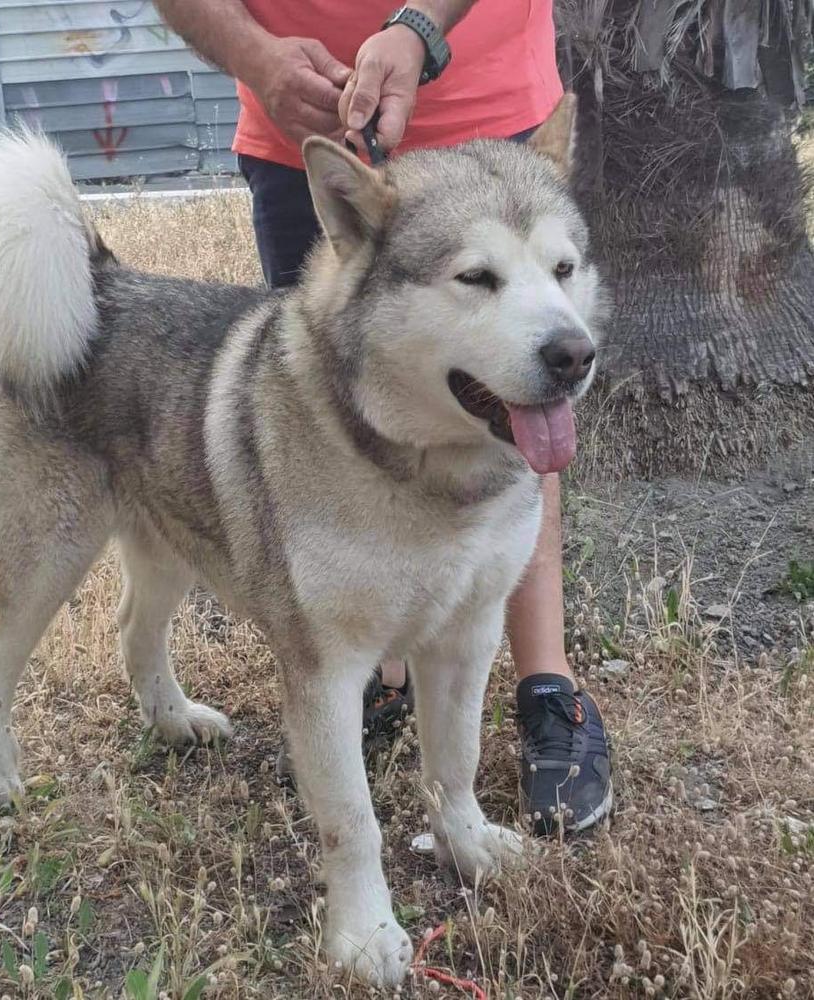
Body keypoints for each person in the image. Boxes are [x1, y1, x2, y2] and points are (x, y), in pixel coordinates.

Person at [155, 0, 612, 834]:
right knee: (339, 432)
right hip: (307, 114)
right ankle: (374, 667)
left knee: (497, 473)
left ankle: (542, 687)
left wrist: (420, 26)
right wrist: (253, 54)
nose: (569, 336)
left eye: (564, 272)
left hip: (492, 91)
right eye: (486, 284)